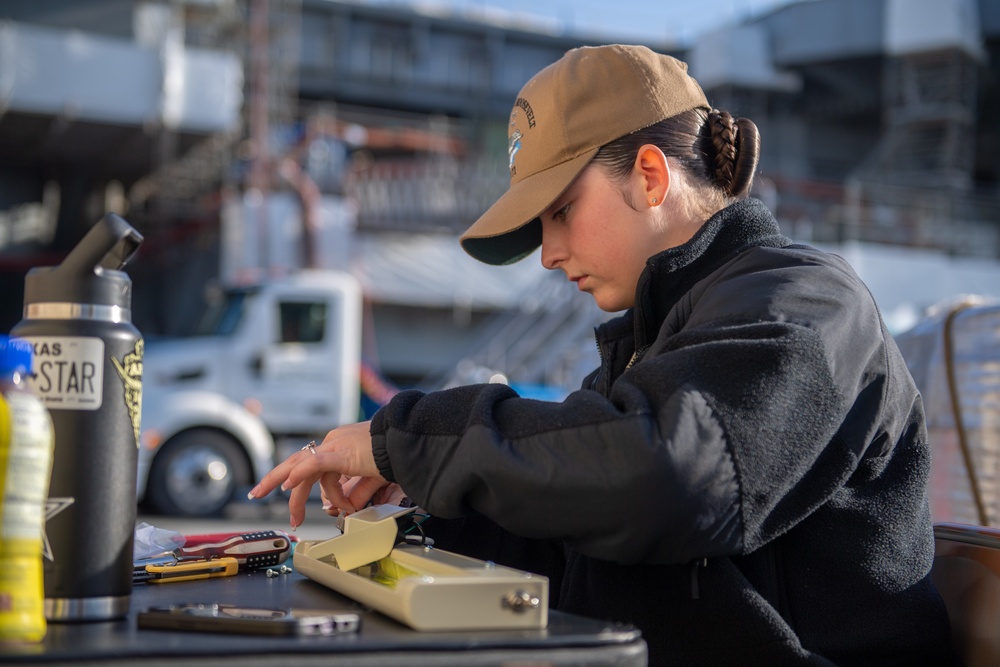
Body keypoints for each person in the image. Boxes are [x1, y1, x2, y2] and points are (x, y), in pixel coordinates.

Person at [249, 44, 957, 665]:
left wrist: (406, 438)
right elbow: (579, 541)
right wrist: (424, 500)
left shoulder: (804, 304)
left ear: (650, 175)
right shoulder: (658, 337)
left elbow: (667, 480)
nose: (550, 254)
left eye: (560, 211)